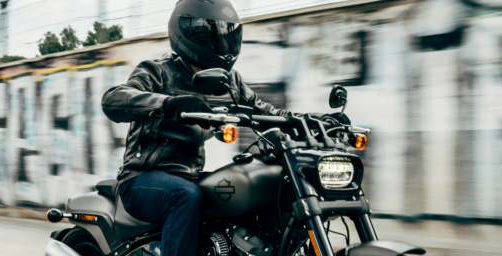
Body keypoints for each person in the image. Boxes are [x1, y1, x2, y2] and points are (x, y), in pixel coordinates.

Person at [100, 0, 347, 255]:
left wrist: (313, 119)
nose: (221, 43)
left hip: (190, 175)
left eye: (227, 34)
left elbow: (266, 111)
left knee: (253, 195)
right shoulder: (158, 71)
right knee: (184, 195)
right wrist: (168, 103)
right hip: (141, 178)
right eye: (212, 36)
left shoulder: (228, 81)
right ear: (187, 34)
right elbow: (114, 99)